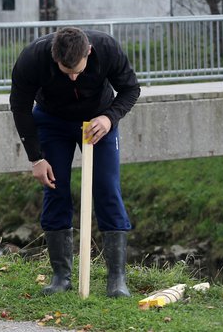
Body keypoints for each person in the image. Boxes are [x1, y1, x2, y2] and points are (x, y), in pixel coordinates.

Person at [9, 27, 140, 298]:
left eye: (78, 71)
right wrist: (36, 158)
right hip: (52, 121)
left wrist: (110, 117)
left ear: (88, 52)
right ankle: (61, 277)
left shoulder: (106, 48)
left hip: (99, 121)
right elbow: (20, 107)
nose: (72, 76)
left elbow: (130, 89)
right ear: (54, 56)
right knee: (56, 189)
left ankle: (116, 280)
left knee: (106, 189)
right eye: (65, 70)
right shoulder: (33, 58)